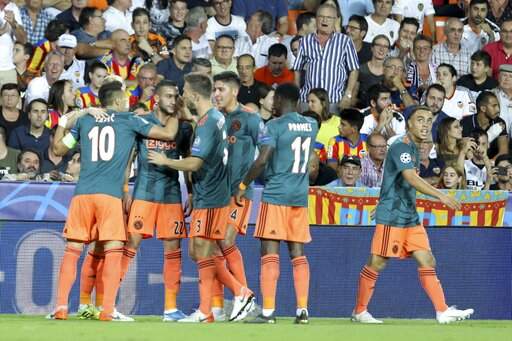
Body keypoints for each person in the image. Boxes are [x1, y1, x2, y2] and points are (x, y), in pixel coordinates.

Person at [47, 80, 181, 321]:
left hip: (83, 195)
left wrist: (67, 120)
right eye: (126, 98)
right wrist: (179, 109)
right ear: (118, 101)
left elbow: (57, 150)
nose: (128, 101)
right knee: (113, 251)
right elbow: (168, 133)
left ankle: (60, 307)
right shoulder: (129, 120)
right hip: (109, 196)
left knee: (72, 251)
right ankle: (107, 310)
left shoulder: (85, 121)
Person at [147, 73, 254, 323]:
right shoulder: (212, 118)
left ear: (194, 95)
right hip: (211, 194)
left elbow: (195, 163)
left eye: (184, 91)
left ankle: (238, 294)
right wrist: (190, 117)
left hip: (211, 197)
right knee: (200, 252)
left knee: (201, 251)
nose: (182, 95)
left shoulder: (208, 123)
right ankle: (210, 309)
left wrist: (166, 161)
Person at [351, 105, 474, 324]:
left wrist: (383, 198)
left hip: (409, 215)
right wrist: (441, 196)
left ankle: (442, 310)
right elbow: (410, 178)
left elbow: (393, 179)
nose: (425, 124)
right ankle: (360, 311)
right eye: (420, 120)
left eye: (428, 120)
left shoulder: (414, 148)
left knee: (427, 259)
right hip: (393, 216)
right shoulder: (401, 147)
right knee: (377, 262)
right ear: (409, 123)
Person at [235, 83, 318, 324]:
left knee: (269, 252)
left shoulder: (274, 125)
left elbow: (262, 160)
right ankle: (302, 311)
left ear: (281, 99)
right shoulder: (311, 125)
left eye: (274, 99)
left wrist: (243, 185)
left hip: (276, 194)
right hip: (299, 196)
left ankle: (268, 312)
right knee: (297, 253)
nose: (272, 103)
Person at [108, 80, 190, 322]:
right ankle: (110, 304)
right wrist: (125, 188)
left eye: (175, 96)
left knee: (174, 248)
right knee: (131, 244)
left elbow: (187, 161)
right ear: (156, 98)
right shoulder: (141, 122)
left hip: (171, 195)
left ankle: (171, 309)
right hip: (144, 192)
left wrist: (192, 192)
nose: (172, 100)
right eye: (167, 96)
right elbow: (128, 157)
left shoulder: (183, 128)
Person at [211, 71, 262, 320]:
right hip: (214, 193)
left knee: (225, 241)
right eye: (214, 89)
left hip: (237, 192)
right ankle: (218, 306)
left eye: (221, 89)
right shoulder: (212, 117)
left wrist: (244, 185)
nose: (216, 94)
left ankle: (244, 298)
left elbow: (266, 152)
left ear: (234, 91)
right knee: (211, 248)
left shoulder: (250, 119)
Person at [293, 3, 359, 112]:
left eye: (329, 18)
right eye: (321, 17)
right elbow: (297, 69)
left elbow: (354, 69)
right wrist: (297, 95)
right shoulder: (305, 41)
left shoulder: (345, 41)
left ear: (335, 20)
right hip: (309, 101)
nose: (324, 20)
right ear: (316, 19)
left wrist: (348, 95)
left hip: (334, 101)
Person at [461, 91, 509, 159]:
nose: (498, 109)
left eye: (498, 105)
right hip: (470, 165)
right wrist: (490, 135)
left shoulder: (499, 122)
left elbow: (503, 151)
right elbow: (467, 153)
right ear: (483, 108)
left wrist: (489, 164)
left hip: (492, 163)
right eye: (494, 106)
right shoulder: (466, 123)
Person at [307, 88, 340, 162]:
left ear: (324, 103)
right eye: (308, 102)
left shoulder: (338, 122)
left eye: (313, 101)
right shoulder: (305, 121)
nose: (309, 105)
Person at [356, 35, 389, 108]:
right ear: (372, 48)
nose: (382, 49)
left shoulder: (389, 72)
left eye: (385, 46)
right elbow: (353, 95)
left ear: (388, 51)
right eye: (378, 45)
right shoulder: (360, 69)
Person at [0, 0, 26, 89]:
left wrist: (14, 24)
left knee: (11, 102)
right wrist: (1, 31)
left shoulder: (13, 7)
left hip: (8, 70)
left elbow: (23, 40)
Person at [407, 35, 437, 100]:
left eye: (425, 48)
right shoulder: (407, 69)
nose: (421, 51)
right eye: (418, 48)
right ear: (413, 50)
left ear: (431, 50)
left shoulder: (437, 71)